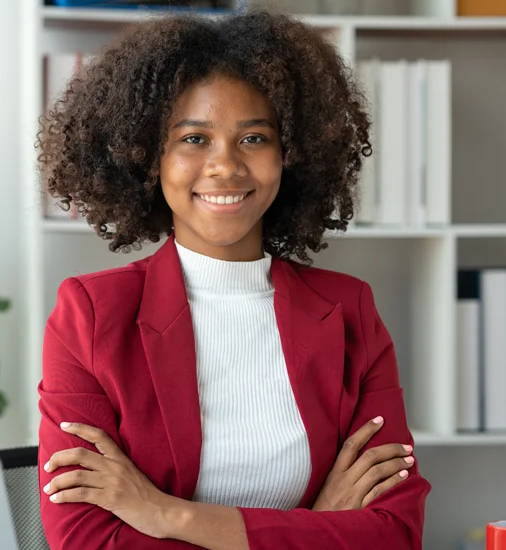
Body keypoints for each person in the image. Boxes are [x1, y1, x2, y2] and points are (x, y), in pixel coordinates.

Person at [36, 7, 431, 550]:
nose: (225, 167)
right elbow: (86, 540)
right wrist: (317, 525)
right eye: (194, 139)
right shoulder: (92, 313)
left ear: (291, 154)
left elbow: (394, 534)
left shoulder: (349, 310)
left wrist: (165, 515)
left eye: (253, 139)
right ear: (147, 157)